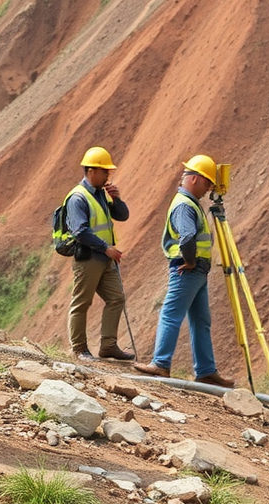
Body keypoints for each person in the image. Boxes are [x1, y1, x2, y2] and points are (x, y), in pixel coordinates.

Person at [133, 154, 234, 387]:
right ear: (195, 179)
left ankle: (206, 370)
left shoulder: (191, 204)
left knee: (200, 321)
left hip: (197, 272)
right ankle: (161, 363)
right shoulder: (184, 205)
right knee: (172, 314)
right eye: (208, 183)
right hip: (188, 270)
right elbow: (187, 236)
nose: (209, 188)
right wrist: (189, 260)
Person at [64, 146, 134, 362]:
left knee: (116, 298)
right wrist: (106, 247)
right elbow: (80, 231)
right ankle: (79, 349)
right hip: (88, 258)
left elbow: (122, 216)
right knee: (82, 302)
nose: (108, 176)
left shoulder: (101, 194)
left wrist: (117, 199)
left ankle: (108, 346)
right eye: (105, 171)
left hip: (105, 259)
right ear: (91, 171)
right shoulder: (78, 198)